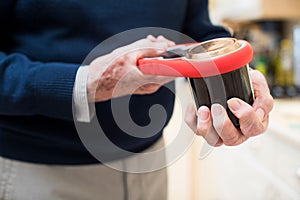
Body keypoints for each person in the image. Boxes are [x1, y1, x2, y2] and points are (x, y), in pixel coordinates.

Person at [0, 0, 273, 200]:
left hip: (149, 167)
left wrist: (234, 77)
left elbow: (198, 31)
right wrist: (91, 81)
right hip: (39, 173)